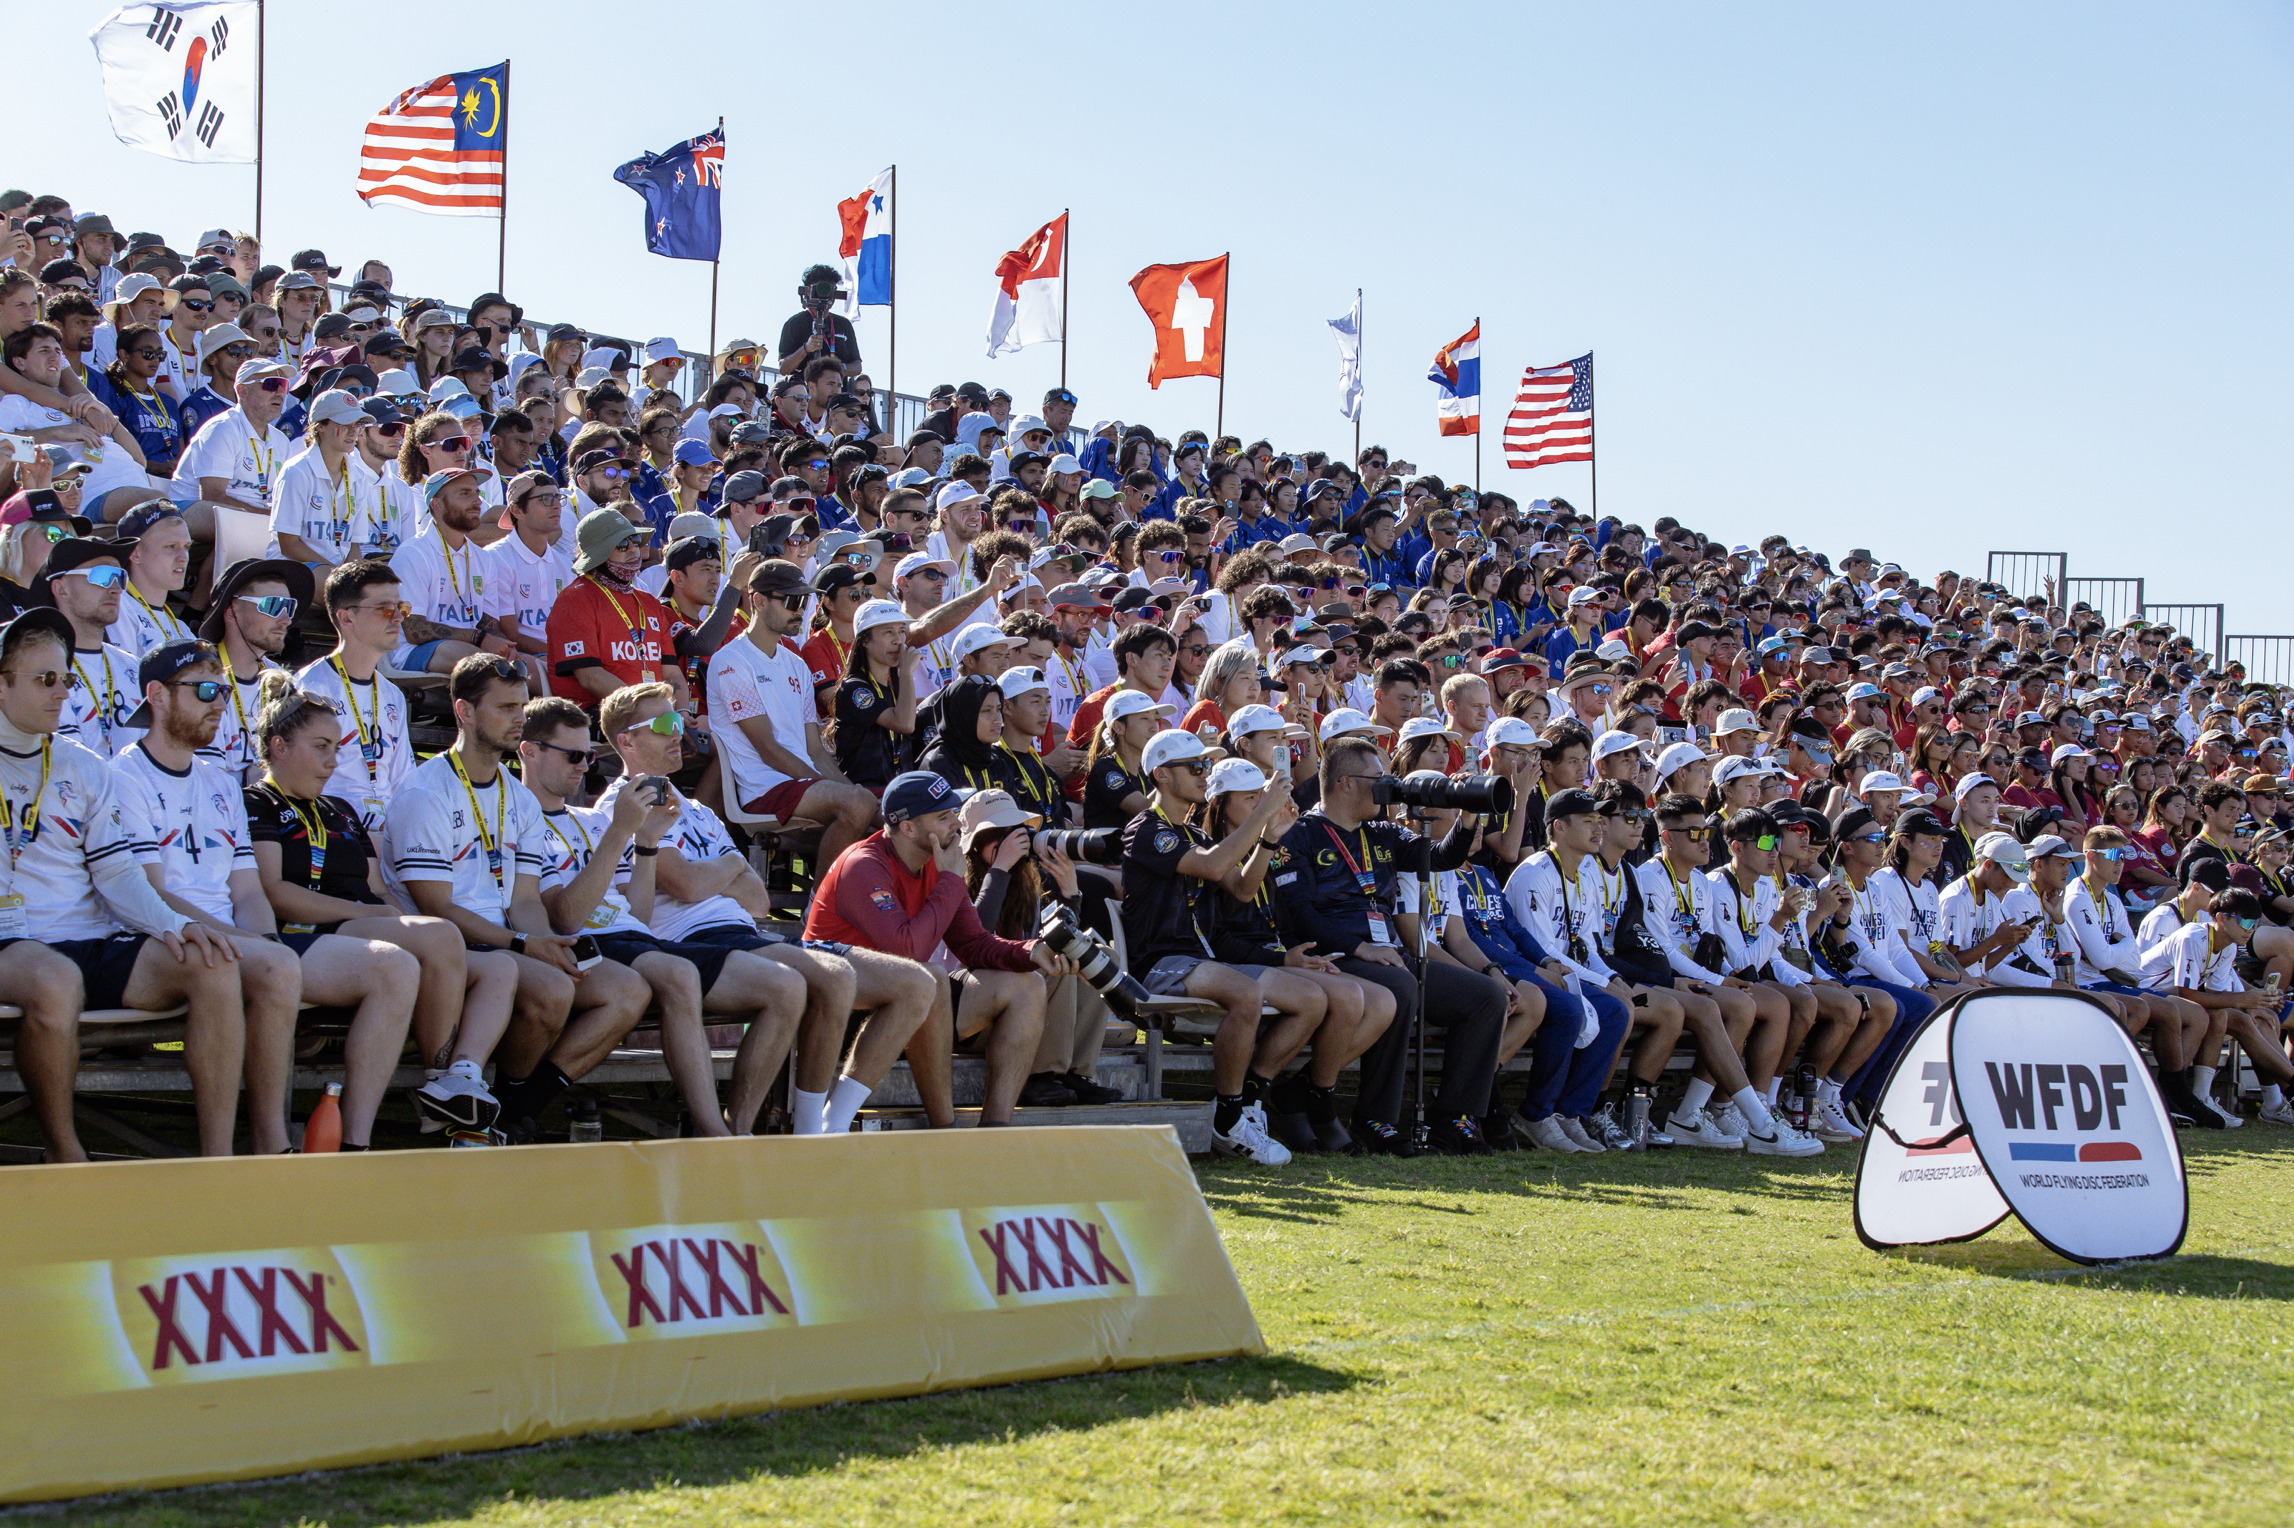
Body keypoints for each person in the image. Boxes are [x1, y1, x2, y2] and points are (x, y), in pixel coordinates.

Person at [112, 638, 429, 1152]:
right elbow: (152, 893)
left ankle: (353, 1144)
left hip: (238, 938)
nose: (220, 702)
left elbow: (247, 889)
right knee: (275, 966)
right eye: (205, 690)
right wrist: (254, 944)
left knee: (395, 966)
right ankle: (271, 1142)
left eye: (223, 691)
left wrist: (260, 940)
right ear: (158, 696)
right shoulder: (122, 776)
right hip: (160, 940)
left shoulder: (218, 781)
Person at [0, 607, 260, 1161]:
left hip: (88, 944)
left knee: (213, 960)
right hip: (11, 946)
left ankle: (219, 1161)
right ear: (1, 684)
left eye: (67, 679)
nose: (63, 693)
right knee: (53, 979)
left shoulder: (83, 764)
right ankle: (66, 1156)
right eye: (45, 680)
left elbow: (118, 873)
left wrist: (176, 923)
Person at [384, 654, 651, 1143]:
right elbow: (436, 907)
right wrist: (524, 945)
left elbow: (526, 897)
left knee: (626, 989)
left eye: (522, 708)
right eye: (506, 707)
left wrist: (547, 944)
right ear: (464, 712)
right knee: (552, 990)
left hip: (508, 939)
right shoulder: (425, 792)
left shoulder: (519, 798)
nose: (518, 719)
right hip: (449, 944)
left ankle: (506, 1110)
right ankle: (488, 1113)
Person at [517, 694, 811, 1137]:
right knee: (676, 975)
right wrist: (622, 831)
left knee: (789, 986)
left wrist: (648, 845)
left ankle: (738, 1129)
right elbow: (567, 917)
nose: (583, 767)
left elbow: (636, 913)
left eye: (587, 757)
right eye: (574, 756)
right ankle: (714, 1132)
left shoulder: (587, 821)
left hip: (631, 938)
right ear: (530, 751)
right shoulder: (527, 820)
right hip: (593, 945)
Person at [1277, 736, 1508, 1155]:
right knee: (1400, 988)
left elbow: (1439, 858)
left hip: (1386, 957)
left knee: (1485, 996)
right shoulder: (1301, 834)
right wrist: (1360, 948)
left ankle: (1455, 1118)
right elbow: (1300, 914)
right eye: (1378, 778)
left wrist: (1469, 818)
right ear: (1346, 783)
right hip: (1334, 956)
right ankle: (1375, 1119)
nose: (1387, 786)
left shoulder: (1381, 832)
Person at [804, 770, 1062, 1130]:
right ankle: (944, 1127)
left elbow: (973, 944)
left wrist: (1031, 951)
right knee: (930, 978)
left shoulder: (936, 863)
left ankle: (996, 1130)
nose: (957, 825)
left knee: (1028, 984)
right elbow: (906, 951)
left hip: (909, 997)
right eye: (943, 817)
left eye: (954, 813)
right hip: (839, 1005)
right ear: (908, 828)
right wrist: (951, 882)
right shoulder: (864, 864)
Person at [1123, 729, 1318, 1163]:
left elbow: (1244, 888)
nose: (1203, 774)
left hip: (1198, 960)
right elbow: (1213, 868)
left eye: (1206, 766)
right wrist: (1262, 809)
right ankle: (1227, 1118)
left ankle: (1248, 1100)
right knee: (1247, 994)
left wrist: (1268, 836)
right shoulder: (1147, 829)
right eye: (1195, 767)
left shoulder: (1193, 832)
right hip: (1160, 962)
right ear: (1162, 775)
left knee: (1309, 998)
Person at [1194, 756, 1396, 1154]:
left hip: (1276, 960)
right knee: (1346, 997)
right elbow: (1217, 939)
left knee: (1382, 1002)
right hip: (1239, 965)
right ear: (1220, 804)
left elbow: (1284, 919)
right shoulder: (1212, 854)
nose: (1261, 807)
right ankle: (1265, 1094)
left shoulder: (1272, 846)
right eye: (1250, 799)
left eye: (1262, 798)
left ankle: (1305, 1094)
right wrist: (1283, 960)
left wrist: (1295, 954)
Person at [709, 557, 881, 860]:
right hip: (765, 792)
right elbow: (767, 749)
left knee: (893, 808)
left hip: (800, 784)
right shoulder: (731, 662)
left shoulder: (796, 664)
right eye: (791, 600)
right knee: (859, 805)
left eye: (803, 600)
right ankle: (820, 903)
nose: (800, 609)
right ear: (759, 601)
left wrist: (853, 791)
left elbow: (814, 750)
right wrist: (840, 792)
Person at [388, 465, 499, 678]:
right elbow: (413, 629)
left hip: (472, 651)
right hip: (414, 653)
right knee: (485, 667)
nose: (477, 501)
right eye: (465, 494)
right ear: (436, 504)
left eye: (477, 493)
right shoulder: (412, 553)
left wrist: (504, 646)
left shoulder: (484, 558)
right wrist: (478, 638)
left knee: (532, 668)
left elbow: (489, 624)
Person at [36, 536, 143, 758]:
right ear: (61, 589)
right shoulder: (39, 667)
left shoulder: (135, 667)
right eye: (102, 576)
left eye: (120, 577)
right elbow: (64, 761)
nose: (116, 589)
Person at [832, 598, 921, 791]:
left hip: (899, 788)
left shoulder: (893, 687)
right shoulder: (854, 687)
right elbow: (904, 724)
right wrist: (905, 672)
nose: (898, 640)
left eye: (901, 631)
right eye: (888, 632)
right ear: (864, 640)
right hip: (867, 793)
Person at [777, 265, 862, 372]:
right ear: (808, 291)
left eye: (830, 290)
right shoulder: (795, 323)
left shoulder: (843, 324)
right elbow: (783, 368)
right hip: (803, 386)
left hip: (836, 387)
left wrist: (839, 368)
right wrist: (806, 348)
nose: (826, 295)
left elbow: (857, 366)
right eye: (821, 289)